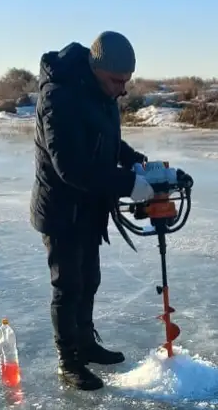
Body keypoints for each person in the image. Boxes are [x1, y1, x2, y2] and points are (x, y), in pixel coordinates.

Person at [30, 31, 186, 391]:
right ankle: (68, 361)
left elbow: (107, 141)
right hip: (62, 210)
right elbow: (71, 165)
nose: (121, 89)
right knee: (67, 286)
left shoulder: (101, 92)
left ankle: (86, 344)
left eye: (126, 82)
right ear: (96, 69)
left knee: (89, 281)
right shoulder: (59, 96)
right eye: (117, 81)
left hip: (89, 207)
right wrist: (127, 185)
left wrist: (136, 163)